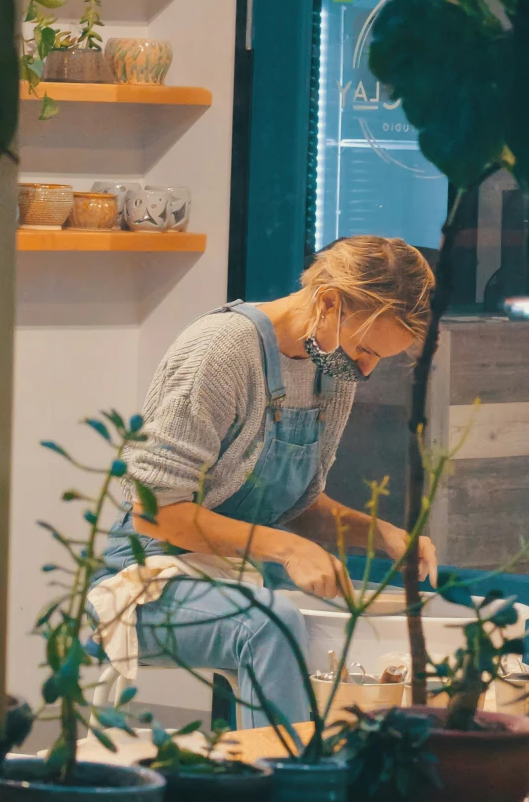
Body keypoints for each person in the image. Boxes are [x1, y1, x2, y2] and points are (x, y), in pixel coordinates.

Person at [95, 236, 438, 730]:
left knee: (352, 627)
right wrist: (287, 550)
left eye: (380, 358)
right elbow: (157, 510)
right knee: (269, 623)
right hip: (146, 581)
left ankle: (332, 775)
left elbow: (299, 504)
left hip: (243, 575)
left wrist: (381, 535)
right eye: (365, 349)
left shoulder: (332, 370)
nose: (366, 370)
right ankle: (286, 793)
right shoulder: (221, 350)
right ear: (327, 302)